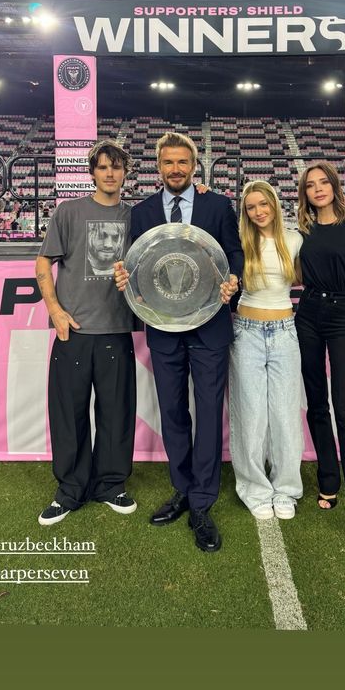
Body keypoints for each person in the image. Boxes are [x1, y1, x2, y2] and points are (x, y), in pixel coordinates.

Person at [116, 131, 242, 553]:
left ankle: (203, 502)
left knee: (208, 413)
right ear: (158, 166)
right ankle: (182, 490)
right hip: (164, 327)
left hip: (209, 325)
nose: (175, 169)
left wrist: (233, 283)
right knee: (172, 411)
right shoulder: (143, 211)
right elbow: (135, 265)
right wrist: (123, 278)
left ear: (194, 166)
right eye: (168, 163)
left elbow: (234, 255)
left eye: (182, 163)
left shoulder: (218, 204)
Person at [35, 140, 137, 526]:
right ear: (92, 172)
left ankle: (111, 485)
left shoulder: (136, 217)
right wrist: (55, 309)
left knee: (116, 413)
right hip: (72, 331)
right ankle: (70, 489)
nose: (110, 173)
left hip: (116, 329)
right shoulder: (69, 212)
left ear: (125, 172)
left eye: (116, 167)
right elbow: (43, 262)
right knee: (69, 414)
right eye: (103, 167)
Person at [295, 161, 345, 554]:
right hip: (307, 314)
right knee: (315, 406)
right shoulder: (302, 232)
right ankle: (328, 479)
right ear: (305, 194)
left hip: (344, 315)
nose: (318, 189)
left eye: (323, 182)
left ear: (334, 185)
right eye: (310, 186)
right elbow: (295, 276)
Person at [229, 181, 303, 520]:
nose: (258, 212)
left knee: (286, 414)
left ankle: (286, 489)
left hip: (285, 331)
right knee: (251, 414)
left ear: (274, 204)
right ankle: (254, 488)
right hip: (246, 332)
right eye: (251, 207)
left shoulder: (295, 239)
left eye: (264, 204)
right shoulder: (241, 241)